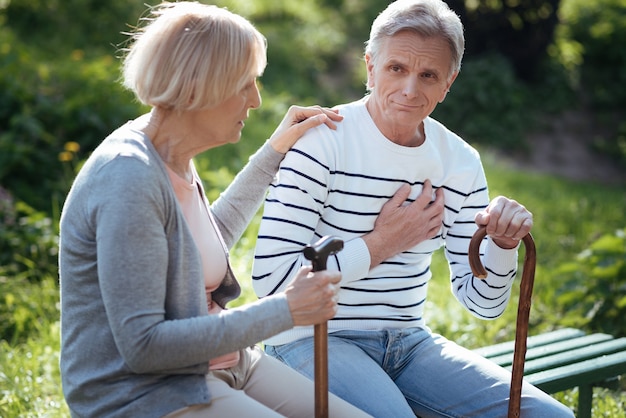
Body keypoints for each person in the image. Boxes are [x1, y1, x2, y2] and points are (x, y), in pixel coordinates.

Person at [252, 0, 574, 417]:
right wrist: (379, 244)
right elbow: (271, 283)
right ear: (370, 67)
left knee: (552, 416)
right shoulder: (322, 141)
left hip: (408, 343)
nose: (410, 89)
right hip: (308, 337)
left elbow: (484, 304)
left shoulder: (459, 161)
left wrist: (501, 244)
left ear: (449, 81)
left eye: (428, 75)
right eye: (396, 69)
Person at [58, 2, 372, 417]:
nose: (256, 101)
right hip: (142, 392)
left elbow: (194, 251)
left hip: (226, 363)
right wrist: (285, 310)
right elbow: (144, 347)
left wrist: (272, 155)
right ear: (198, 88)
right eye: (245, 85)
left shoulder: (171, 152)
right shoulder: (129, 179)